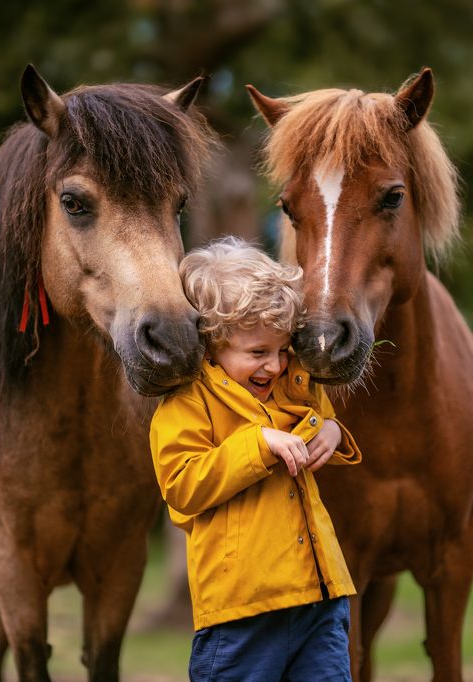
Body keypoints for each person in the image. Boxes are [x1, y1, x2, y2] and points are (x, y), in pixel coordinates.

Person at [149, 237, 362, 681]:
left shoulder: (291, 387)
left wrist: (332, 429)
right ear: (212, 346)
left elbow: (316, 415)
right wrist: (256, 446)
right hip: (242, 609)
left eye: (283, 350)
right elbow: (182, 486)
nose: (276, 365)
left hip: (320, 598)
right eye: (258, 353)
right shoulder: (186, 405)